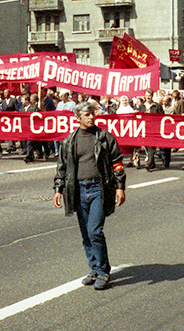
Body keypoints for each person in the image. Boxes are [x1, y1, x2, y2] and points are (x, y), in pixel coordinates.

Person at [53, 101, 126, 290]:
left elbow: (117, 163)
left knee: (95, 231)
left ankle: (103, 271)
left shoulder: (104, 137)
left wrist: (120, 187)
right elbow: (62, 168)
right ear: (77, 118)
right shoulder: (69, 141)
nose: (91, 117)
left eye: (92, 113)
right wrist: (58, 189)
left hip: (98, 189)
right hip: (78, 190)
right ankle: (94, 268)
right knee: (86, 234)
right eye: (87, 114)